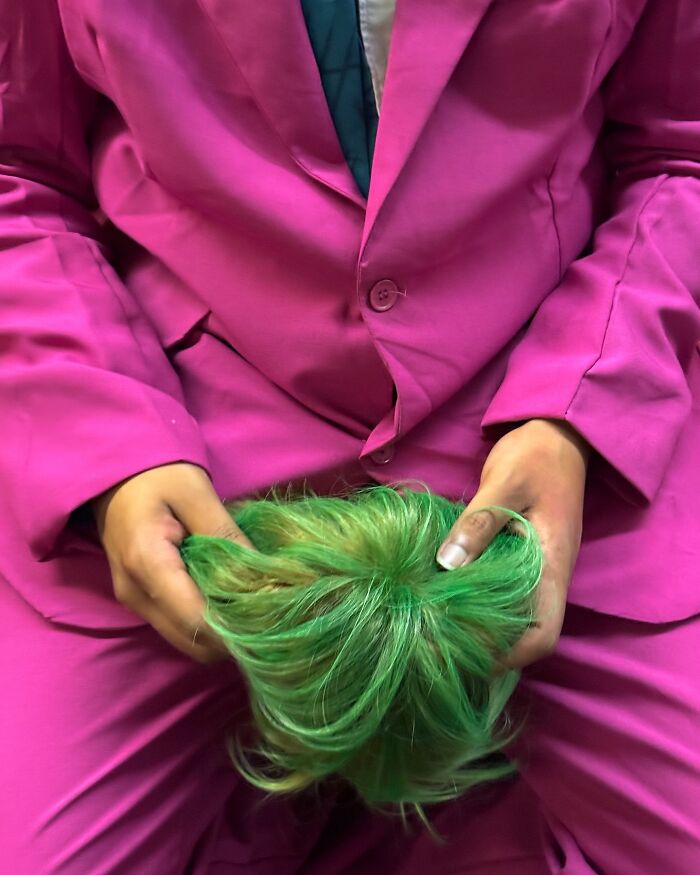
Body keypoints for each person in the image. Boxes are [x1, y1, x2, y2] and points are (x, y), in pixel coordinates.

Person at [0, 1, 698, 872]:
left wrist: (581, 407)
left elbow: (682, 150)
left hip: (548, 409)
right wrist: (110, 445)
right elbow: (16, 169)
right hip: (189, 426)